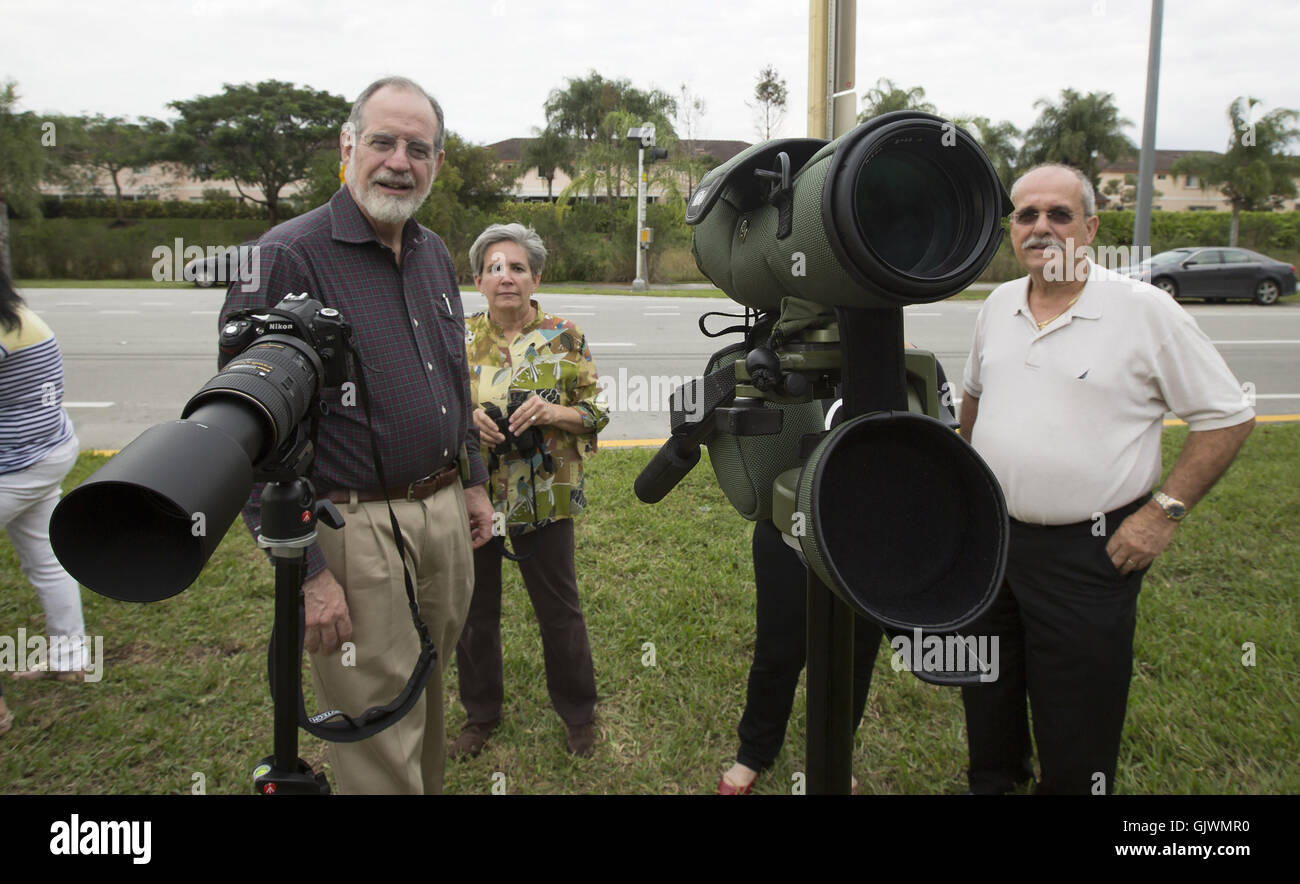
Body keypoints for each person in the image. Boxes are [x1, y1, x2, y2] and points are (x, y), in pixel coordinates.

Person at [220, 76, 495, 794]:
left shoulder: (433, 252)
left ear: (437, 161)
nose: (399, 161)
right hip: (355, 530)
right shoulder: (288, 257)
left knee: (428, 701)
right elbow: (241, 432)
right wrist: (308, 573)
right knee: (377, 730)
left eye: (418, 147)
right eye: (382, 141)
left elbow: (453, 378)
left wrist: (470, 480)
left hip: (442, 515)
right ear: (348, 146)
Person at [958, 163, 1255, 794]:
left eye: (1059, 215)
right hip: (993, 543)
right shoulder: (997, 304)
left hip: (1090, 550)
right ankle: (994, 782)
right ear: (1011, 227)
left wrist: (1161, 514)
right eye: (1026, 214)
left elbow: (1228, 416)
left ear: (1090, 228)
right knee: (988, 687)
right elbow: (975, 401)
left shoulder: (1145, 311)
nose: (1041, 227)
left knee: (1077, 711)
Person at [450, 223, 608, 760]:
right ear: (478, 280)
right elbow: (437, 412)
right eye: (494, 268)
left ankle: (579, 715)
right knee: (475, 612)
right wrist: (468, 420)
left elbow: (593, 414)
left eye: (517, 267)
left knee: (559, 610)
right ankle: (480, 717)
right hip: (475, 496)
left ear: (535, 276)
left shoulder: (566, 336)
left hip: (544, 497)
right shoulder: (458, 339)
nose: (506, 277)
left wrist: (552, 410)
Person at [0, 263, 87, 700]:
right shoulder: (18, 317)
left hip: (14, 465)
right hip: (47, 452)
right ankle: (70, 659)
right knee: (47, 559)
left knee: (45, 559)